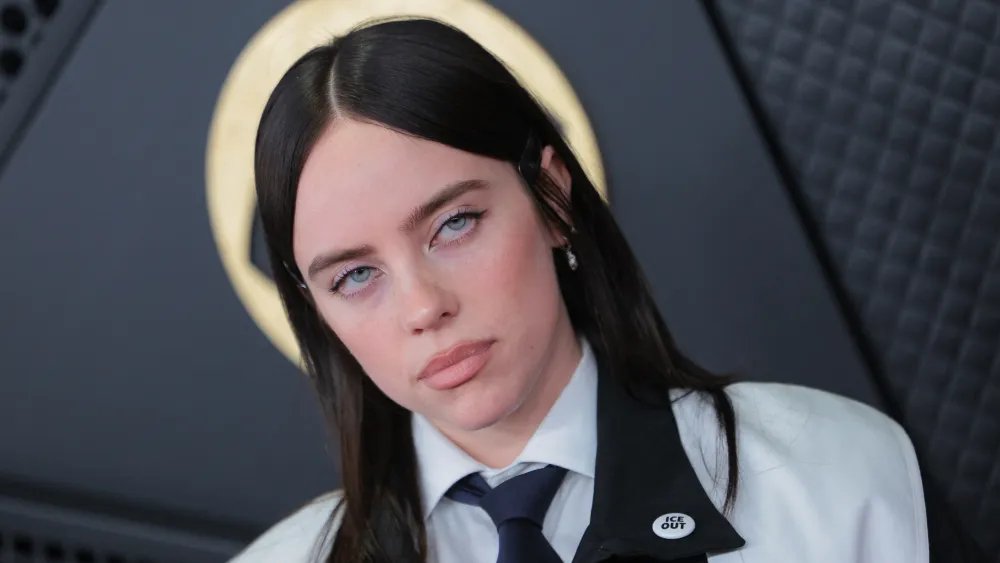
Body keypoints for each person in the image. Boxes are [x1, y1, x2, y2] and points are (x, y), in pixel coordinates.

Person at [230, 17, 928, 563]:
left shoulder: (829, 477)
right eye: (355, 276)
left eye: (454, 224)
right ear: (315, 308)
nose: (423, 306)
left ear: (552, 198)